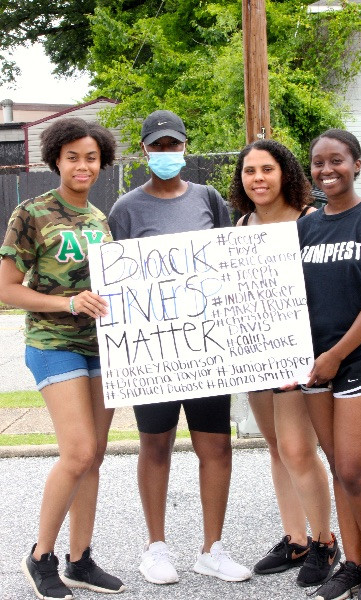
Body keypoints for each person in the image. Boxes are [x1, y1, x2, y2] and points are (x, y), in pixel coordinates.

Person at [108, 109, 251, 585]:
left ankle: (213, 548)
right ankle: (156, 547)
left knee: (217, 447)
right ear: (144, 150)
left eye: (174, 145)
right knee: (155, 446)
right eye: (157, 146)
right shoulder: (125, 209)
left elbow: (230, 264)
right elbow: (117, 285)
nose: (166, 154)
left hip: (208, 349)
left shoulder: (210, 199)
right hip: (154, 354)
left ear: (184, 146)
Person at [0, 117, 126, 599]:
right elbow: (8, 289)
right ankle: (41, 557)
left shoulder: (101, 220)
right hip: (53, 343)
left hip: (103, 348)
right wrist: (67, 303)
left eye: (91, 157)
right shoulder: (31, 212)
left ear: (102, 163)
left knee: (93, 456)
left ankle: (81, 559)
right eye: (72, 156)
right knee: (76, 452)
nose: (82, 165)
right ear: (56, 159)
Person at [229, 138, 340, 588]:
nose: (258, 178)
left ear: (286, 173)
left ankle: (324, 541)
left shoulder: (311, 222)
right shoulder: (241, 224)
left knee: (298, 449)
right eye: (250, 171)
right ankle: (295, 538)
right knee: (275, 446)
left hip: (300, 356)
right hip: (257, 354)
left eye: (267, 169)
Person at [298, 128, 361, 600]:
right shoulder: (306, 227)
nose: (327, 170)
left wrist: (336, 356)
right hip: (315, 366)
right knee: (338, 466)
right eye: (318, 162)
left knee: (356, 468)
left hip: (359, 358)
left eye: (336, 160)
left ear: (356, 164)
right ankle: (353, 564)